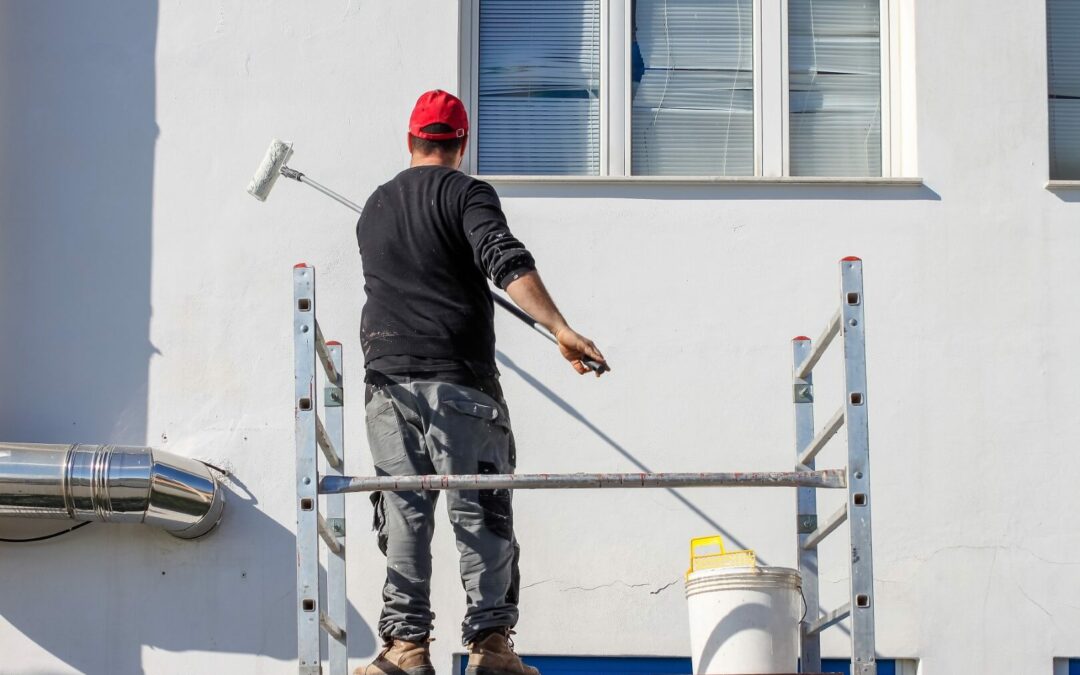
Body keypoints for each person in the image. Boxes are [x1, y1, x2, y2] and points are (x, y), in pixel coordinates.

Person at [355, 90, 609, 675]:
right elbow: (504, 258)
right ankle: (491, 649)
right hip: (459, 382)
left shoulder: (375, 206)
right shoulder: (467, 192)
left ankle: (405, 649)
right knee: (479, 509)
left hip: (387, 385)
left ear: (410, 140)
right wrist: (560, 329)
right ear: (461, 144)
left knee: (404, 513)